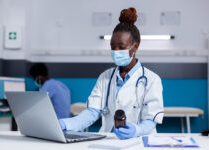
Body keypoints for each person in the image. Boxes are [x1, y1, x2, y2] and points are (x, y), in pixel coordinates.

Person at [59, 7, 164, 140]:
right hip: (109, 139)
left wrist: (137, 130)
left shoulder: (151, 79)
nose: (115, 51)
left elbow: (151, 119)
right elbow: (92, 112)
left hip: (140, 141)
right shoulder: (105, 77)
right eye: (112, 47)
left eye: (121, 47)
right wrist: (65, 123)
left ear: (135, 47)